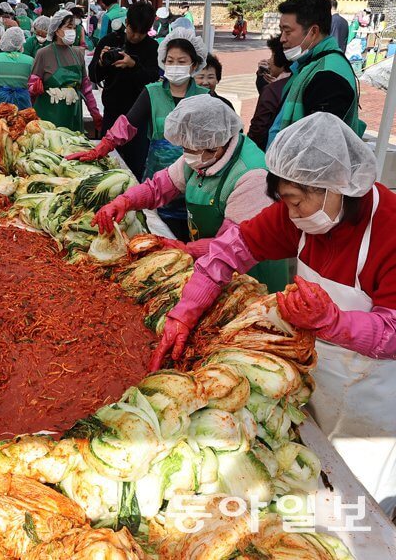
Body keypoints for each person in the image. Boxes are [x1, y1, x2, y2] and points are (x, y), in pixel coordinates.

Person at [150, 113, 396, 515]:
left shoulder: (389, 228)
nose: (291, 213)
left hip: (370, 395)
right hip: (312, 373)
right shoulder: (298, 213)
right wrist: (184, 312)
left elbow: (393, 330)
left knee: (358, 504)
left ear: (337, 188)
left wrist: (333, 322)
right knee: (306, 479)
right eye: (285, 200)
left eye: (297, 200)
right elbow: (229, 251)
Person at [94, 95, 288, 290]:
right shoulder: (201, 154)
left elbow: (234, 244)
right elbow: (159, 187)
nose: (188, 154)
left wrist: (187, 249)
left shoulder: (252, 176)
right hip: (212, 264)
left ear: (216, 144)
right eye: (185, 147)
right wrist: (124, 201)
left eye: (192, 148)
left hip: (250, 273)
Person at [68, 27, 208, 240]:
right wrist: (101, 148)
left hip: (197, 180)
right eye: (170, 61)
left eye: (181, 62)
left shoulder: (206, 98)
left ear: (194, 65)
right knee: (158, 234)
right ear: (163, 62)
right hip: (158, 180)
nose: (175, 66)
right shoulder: (152, 92)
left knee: (195, 236)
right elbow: (127, 125)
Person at [268, 0, 362, 147]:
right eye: (281, 31)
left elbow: (318, 147)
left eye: (288, 31)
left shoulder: (328, 76)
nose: (282, 39)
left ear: (313, 31)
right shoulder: (309, 63)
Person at [89, 2, 159, 178]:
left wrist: (133, 65)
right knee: (106, 164)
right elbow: (93, 76)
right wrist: (101, 63)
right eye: (132, 30)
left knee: (136, 168)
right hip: (112, 114)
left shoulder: (152, 48)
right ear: (126, 22)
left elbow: (153, 80)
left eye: (141, 33)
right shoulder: (110, 41)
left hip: (139, 119)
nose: (135, 36)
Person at [30, 10, 102, 133]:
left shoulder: (78, 54)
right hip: (48, 119)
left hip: (73, 116)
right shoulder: (43, 54)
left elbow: (86, 89)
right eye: (69, 27)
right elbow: (31, 87)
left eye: (74, 28)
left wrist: (95, 113)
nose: (72, 31)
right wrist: (34, 88)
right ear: (57, 30)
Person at [249, 37, 291, 151]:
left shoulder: (273, 90)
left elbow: (258, 127)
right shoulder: (298, 80)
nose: (268, 61)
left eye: (272, 56)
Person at [0, 27, 34, 108]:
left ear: (4, 40)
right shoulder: (30, 60)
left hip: (0, 99)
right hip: (22, 99)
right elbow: (32, 81)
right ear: (21, 42)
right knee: (23, 115)